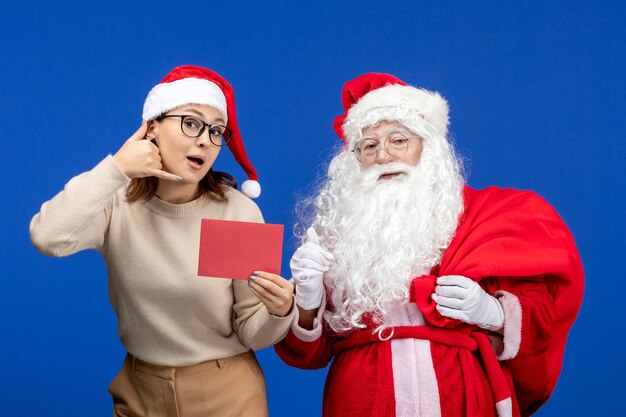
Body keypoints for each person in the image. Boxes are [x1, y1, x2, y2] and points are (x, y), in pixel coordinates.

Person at [275, 73, 584, 417]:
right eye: (369, 145)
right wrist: (307, 300)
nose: (383, 155)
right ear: (355, 160)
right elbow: (308, 356)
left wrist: (492, 312)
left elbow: (546, 313)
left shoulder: (482, 218)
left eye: (398, 140)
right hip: (362, 396)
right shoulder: (336, 235)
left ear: (427, 147)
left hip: (462, 392)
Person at [30, 65, 296, 417]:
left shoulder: (236, 211)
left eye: (217, 131)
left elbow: (252, 331)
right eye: (191, 123)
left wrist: (280, 311)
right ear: (152, 126)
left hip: (227, 394)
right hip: (140, 392)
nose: (205, 139)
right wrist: (117, 168)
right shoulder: (116, 202)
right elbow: (48, 238)